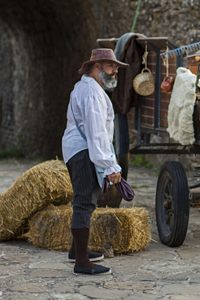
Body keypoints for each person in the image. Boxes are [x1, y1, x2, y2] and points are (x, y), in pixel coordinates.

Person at [62, 48, 129, 275]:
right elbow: (96, 131)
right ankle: (81, 262)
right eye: (111, 67)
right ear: (96, 67)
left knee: (84, 199)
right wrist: (109, 166)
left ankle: (76, 251)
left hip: (77, 149)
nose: (115, 71)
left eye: (116, 67)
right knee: (84, 202)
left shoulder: (83, 87)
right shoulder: (92, 92)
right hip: (83, 150)